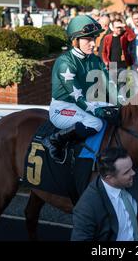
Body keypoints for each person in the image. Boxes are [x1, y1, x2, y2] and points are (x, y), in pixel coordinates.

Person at [42, 15, 116, 168]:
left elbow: (109, 84)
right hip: (63, 108)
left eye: (94, 39)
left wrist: (124, 104)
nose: (93, 43)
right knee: (95, 122)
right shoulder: (65, 63)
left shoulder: (94, 59)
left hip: (84, 103)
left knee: (112, 109)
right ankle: (54, 140)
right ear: (75, 41)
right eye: (87, 39)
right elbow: (78, 98)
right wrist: (100, 112)